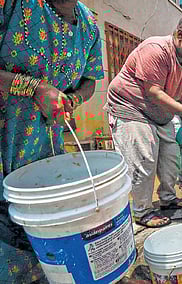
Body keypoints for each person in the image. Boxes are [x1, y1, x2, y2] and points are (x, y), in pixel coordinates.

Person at [0, 0, 104, 282]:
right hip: (5, 141)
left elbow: (90, 81)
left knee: (45, 246)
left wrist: (72, 99)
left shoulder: (89, 26)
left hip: (44, 152)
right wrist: (33, 88)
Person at [104, 15, 182, 228]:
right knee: (144, 158)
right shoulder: (156, 49)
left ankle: (168, 199)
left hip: (160, 116)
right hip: (131, 108)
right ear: (180, 35)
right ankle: (142, 211)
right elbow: (154, 92)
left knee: (171, 159)